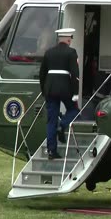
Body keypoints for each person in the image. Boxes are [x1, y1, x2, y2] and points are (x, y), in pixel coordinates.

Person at [39, 28, 80, 160]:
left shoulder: (49, 52)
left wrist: (43, 90)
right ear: (68, 39)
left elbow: (42, 73)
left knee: (51, 120)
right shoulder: (71, 52)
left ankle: (51, 151)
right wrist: (75, 92)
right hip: (65, 88)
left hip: (50, 89)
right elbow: (75, 74)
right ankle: (62, 125)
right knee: (74, 110)